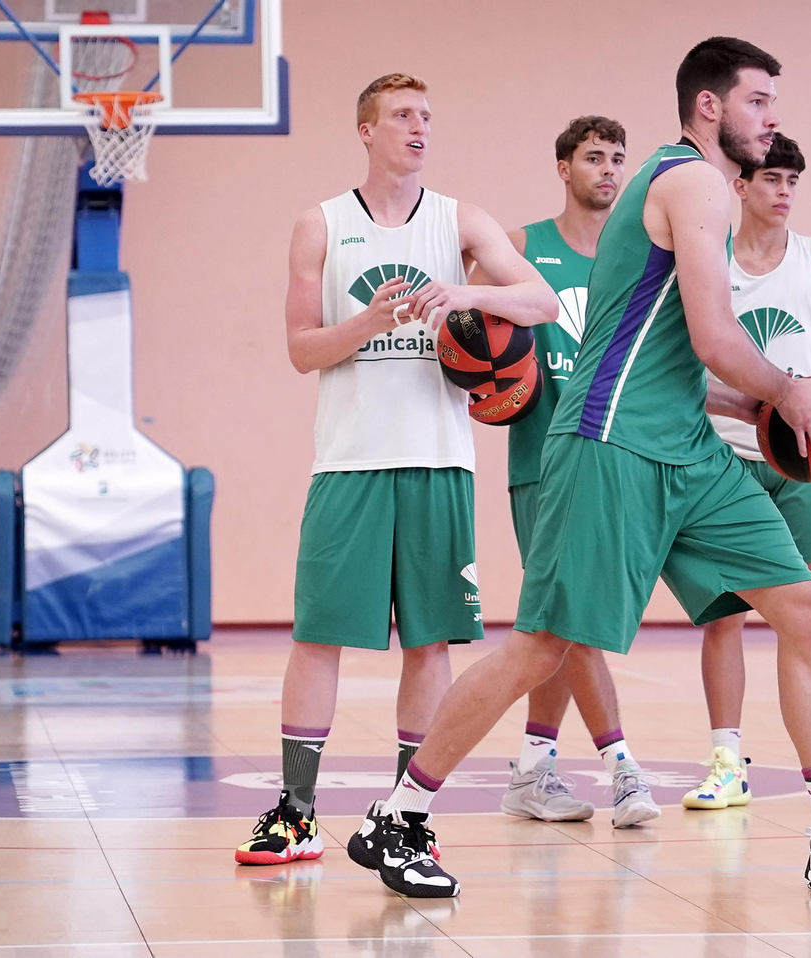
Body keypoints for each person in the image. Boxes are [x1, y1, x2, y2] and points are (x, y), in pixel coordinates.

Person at [349, 38, 811, 899]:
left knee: (808, 609)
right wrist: (791, 392)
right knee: (544, 648)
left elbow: (672, 357)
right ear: (710, 107)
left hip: (687, 450)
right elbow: (713, 336)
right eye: (759, 100)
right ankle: (397, 818)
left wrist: (752, 406)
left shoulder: (699, 192)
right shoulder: (691, 182)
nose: (773, 117)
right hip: (609, 449)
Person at [234, 73, 558, 866]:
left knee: (430, 645)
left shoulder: (460, 221)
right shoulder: (321, 224)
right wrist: (368, 321)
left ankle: (405, 813)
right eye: (404, 116)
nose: (419, 128)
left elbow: (543, 301)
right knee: (317, 638)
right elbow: (301, 349)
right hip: (348, 464)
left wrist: (459, 294)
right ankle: (297, 811)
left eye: (427, 116)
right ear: (366, 130)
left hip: (439, 462)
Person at [682, 133, 811, 813]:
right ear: (739, 187)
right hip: (729, 456)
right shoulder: (709, 262)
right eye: (771, 179)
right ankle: (725, 761)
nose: (783, 192)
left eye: (792, 182)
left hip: (808, 463)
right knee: (725, 620)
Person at [477, 115, 659, 828]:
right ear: (563, 167)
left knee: (557, 621)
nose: (609, 170)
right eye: (593, 157)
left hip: (611, 458)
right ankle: (623, 768)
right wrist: (485, 381)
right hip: (544, 459)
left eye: (618, 158)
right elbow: (465, 338)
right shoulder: (525, 247)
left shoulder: (636, 253)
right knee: (575, 620)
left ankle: (531, 768)